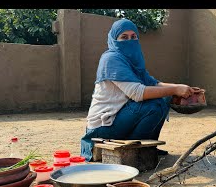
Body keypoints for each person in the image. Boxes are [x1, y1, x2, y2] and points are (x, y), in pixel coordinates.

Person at [80, 18, 200, 161]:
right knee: (154, 105)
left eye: (133, 37)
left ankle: (148, 147)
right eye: (124, 37)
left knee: (165, 98)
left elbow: (154, 84)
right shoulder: (111, 59)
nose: (130, 41)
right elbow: (137, 93)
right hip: (103, 127)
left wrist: (182, 88)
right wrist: (175, 89)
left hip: (118, 117)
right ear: (114, 39)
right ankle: (135, 151)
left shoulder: (132, 60)